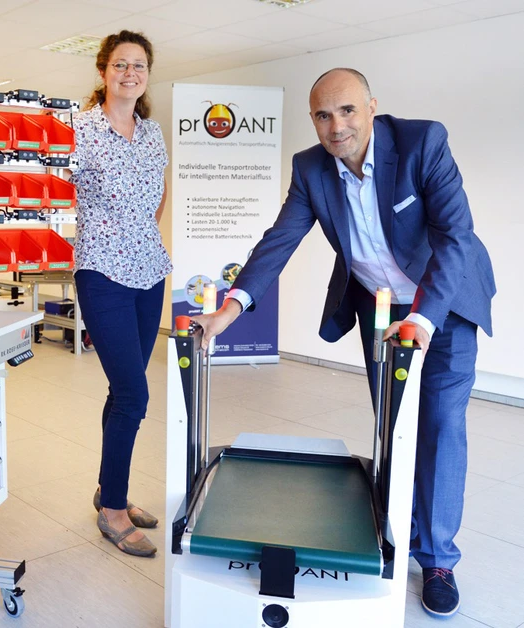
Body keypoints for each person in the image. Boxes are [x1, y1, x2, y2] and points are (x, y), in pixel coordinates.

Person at [193, 68, 495, 617]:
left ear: (372, 107)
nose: (337, 126)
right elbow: (279, 241)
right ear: (313, 121)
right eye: (324, 116)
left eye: (348, 111)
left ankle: (438, 559)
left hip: (444, 301)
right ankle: (390, 523)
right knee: (392, 422)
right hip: (379, 309)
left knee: (442, 424)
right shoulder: (310, 168)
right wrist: (228, 310)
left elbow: (455, 236)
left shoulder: (423, 142)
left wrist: (424, 320)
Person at [69, 30, 171, 558]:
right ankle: (111, 512)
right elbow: (56, 191)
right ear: (103, 71)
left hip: (149, 271)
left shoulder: (151, 133)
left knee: (122, 391)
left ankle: (113, 492)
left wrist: (140, 234)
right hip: (102, 272)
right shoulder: (79, 129)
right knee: (134, 393)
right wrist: (108, 234)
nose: (130, 73)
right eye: (120, 65)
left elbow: (159, 190)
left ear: (146, 74)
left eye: (139, 66)